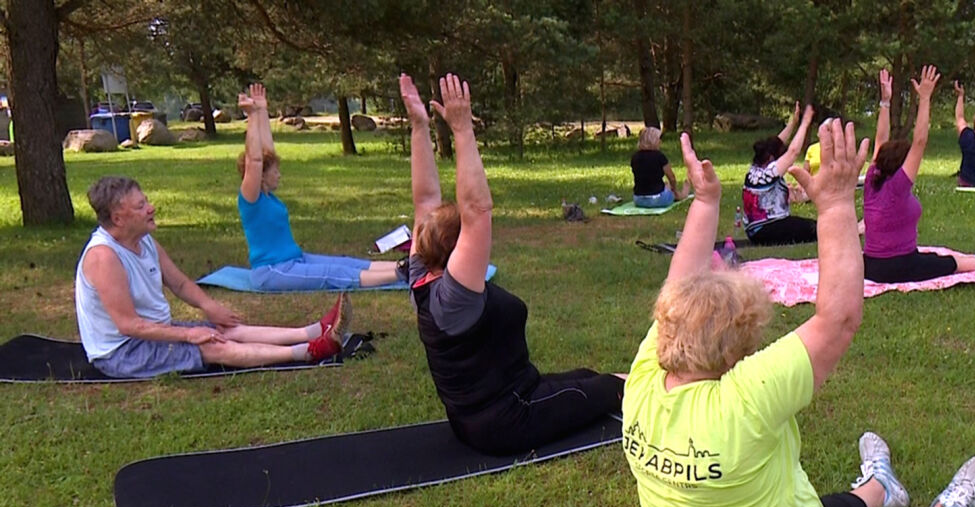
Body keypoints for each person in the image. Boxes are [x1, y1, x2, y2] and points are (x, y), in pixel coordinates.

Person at [622, 123, 975, 507]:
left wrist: (706, 202)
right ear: (739, 352)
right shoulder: (744, 396)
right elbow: (839, 318)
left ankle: (878, 489)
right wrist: (838, 204)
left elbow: (677, 284)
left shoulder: (643, 377)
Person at [399, 73, 623, 456]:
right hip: (509, 420)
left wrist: (419, 126)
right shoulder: (456, 296)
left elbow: (425, 201)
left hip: (480, 417)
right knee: (618, 386)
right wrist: (463, 130)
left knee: (588, 378)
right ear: (459, 251)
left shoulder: (422, 275)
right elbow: (477, 210)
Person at [75, 176, 350, 379]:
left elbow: (180, 283)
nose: (151, 207)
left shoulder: (144, 241)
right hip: (123, 352)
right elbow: (128, 325)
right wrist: (188, 334)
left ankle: (313, 331)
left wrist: (208, 306)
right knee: (213, 347)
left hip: (152, 333)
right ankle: (309, 351)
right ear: (118, 219)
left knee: (223, 331)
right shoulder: (104, 258)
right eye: (140, 206)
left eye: (145, 201)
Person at [236, 83, 403, 291]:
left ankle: (410, 266)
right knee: (334, 275)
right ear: (260, 177)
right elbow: (255, 160)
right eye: (274, 172)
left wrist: (262, 111)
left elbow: (267, 151)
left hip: (296, 259)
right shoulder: (250, 198)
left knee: (346, 263)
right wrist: (251, 117)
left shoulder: (268, 195)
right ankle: (402, 274)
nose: (279, 175)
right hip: (273, 271)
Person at [864, 67, 975, 284]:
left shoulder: (873, 178)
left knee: (939, 258)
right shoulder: (897, 186)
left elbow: (880, 139)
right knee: (951, 264)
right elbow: (919, 141)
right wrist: (925, 99)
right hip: (896, 266)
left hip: (871, 265)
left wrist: (885, 102)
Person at [742, 102, 817, 245]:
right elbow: (793, 152)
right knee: (816, 228)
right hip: (768, 229)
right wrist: (805, 124)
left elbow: (776, 143)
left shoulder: (754, 170)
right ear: (771, 158)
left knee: (809, 226)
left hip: (755, 231)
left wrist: (793, 123)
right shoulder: (770, 172)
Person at [630, 127, 690, 208]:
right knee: (668, 186)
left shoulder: (635, 157)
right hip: (657, 199)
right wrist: (674, 190)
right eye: (658, 139)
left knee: (665, 185)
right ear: (653, 140)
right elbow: (671, 178)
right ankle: (681, 195)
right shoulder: (659, 156)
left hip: (638, 199)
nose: (660, 142)